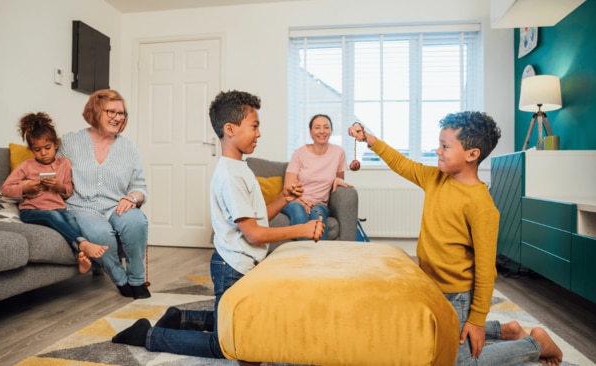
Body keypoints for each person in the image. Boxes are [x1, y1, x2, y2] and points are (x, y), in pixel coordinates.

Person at [111, 90, 324, 360]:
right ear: (230, 129)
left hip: (242, 263)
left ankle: (181, 317)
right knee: (227, 344)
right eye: (255, 126)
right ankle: (147, 335)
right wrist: (301, 230)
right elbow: (254, 233)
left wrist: (283, 198)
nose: (259, 133)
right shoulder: (230, 175)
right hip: (232, 267)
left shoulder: (240, 168)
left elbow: (255, 220)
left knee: (245, 323)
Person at [348, 112, 563, 365]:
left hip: (458, 295)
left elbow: (485, 269)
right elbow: (403, 164)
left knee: (457, 362)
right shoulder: (436, 178)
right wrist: (371, 140)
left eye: (445, 146)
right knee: (423, 337)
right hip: (431, 285)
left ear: (472, 154)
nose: (438, 150)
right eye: (439, 144)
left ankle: (536, 344)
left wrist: (477, 320)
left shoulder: (481, 206)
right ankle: (507, 330)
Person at [58, 89, 151, 299]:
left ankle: (137, 279)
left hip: (116, 205)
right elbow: (53, 172)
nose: (118, 118)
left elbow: (139, 186)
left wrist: (132, 198)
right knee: (100, 235)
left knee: (136, 221)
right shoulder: (70, 142)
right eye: (111, 112)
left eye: (122, 113)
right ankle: (120, 278)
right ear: (96, 110)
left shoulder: (129, 148)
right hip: (82, 207)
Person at [0, 112, 107, 274]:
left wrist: (58, 187)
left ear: (56, 144)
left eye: (47, 148)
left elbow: (68, 191)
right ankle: (84, 245)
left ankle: (82, 258)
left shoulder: (63, 165)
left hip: (59, 208)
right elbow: (5, 189)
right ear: (31, 150)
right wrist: (25, 188)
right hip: (31, 211)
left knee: (72, 220)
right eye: (37, 150)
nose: (43, 153)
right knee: (52, 217)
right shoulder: (27, 166)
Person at [281, 114, 351, 240]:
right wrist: (303, 201)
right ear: (311, 132)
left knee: (317, 214)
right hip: (295, 201)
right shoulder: (299, 153)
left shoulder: (338, 152)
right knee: (298, 211)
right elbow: (288, 187)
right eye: (317, 127)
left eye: (326, 127)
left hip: (320, 203)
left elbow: (340, 178)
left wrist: (337, 179)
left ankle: (318, 256)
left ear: (331, 131)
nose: (322, 131)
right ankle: (304, 256)